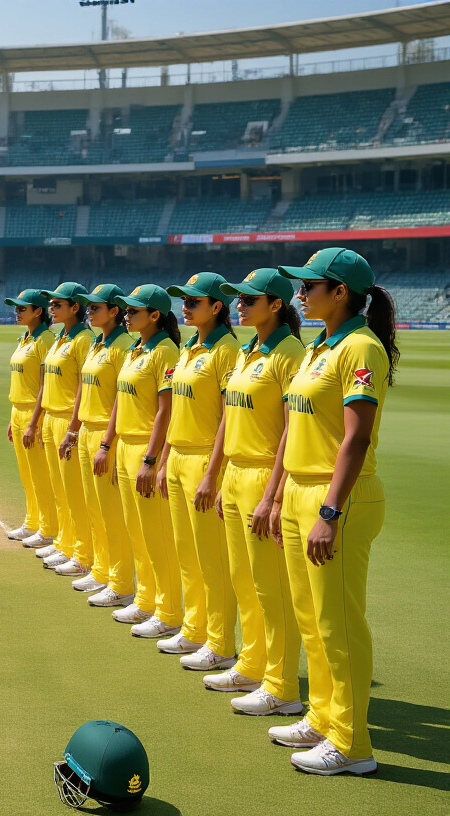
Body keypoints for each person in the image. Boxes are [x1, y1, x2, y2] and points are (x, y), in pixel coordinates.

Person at [269, 248, 396, 776]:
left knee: (339, 624)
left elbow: (357, 438)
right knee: (313, 618)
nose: (300, 295)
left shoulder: (360, 347)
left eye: (310, 286)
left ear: (340, 291)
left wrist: (329, 510)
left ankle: (352, 744)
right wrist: (281, 496)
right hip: (302, 492)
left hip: (337, 497)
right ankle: (323, 718)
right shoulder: (322, 343)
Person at [211, 269, 306, 710]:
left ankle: (281, 685)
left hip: (264, 476)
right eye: (238, 298)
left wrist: (273, 494)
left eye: (250, 299)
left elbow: (293, 429)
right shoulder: (248, 350)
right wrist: (216, 474)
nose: (240, 305)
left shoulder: (290, 353)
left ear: (276, 305)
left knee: (272, 588)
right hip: (235, 474)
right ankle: (252, 665)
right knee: (244, 579)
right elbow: (228, 417)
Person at [158, 274, 242, 669]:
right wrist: (164, 459)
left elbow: (229, 415)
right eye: (184, 300)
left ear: (217, 307)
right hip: (179, 456)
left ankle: (221, 643)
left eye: (194, 300)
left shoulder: (226, 349)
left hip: (206, 459)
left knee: (212, 559)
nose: (186, 306)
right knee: (187, 553)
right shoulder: (189, 346)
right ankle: (194, 629)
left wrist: (213, 471)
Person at [106, 285, 182, 639]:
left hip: (145, 448)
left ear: (155, 315)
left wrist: (152, 459)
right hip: (126, 445)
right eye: (127, 310)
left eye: (134, 311)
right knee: (137, 530)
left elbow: (166, 412)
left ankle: (168, 610)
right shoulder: (137, 348)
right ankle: (147, 598)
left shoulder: (165, 351)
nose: (126, 315)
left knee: (157, 535)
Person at [64, 284, 136, 606]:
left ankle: (121, 582)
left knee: (113, 513)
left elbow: (123, 399)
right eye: (88, 308)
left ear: (114, 311)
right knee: (94, 507)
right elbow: (83, 386)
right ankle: (102, 569)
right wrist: (74, 428)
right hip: (87, 431)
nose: (90, 312)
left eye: (95, 308)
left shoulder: (123, 345)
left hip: (109, 434)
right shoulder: (97, 342)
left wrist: (108, 442)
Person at [27, 282, 94, 578]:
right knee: (60, 490)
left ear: (74, 307)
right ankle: (66, 544)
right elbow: (47, 383)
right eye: (50, 305)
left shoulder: (83, 339)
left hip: (69, 418)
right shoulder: (60, 338)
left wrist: (73, 426)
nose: (51, 309)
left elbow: (83, 385)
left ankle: (83, 553)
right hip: (52, 418)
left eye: (56, 305)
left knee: (75, 494)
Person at [2, 288, 59, 550]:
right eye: (16, 307)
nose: (17, 312)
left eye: (22, 308)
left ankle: (48, 529)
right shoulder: (26, 338)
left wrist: (34, 422)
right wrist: (13, 418)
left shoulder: (46, 339)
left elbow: (46, 386)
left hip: (35, 414)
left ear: (39, 311)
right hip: (19, 410)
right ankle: (32, 521)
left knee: (40, 475)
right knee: (27, 475)